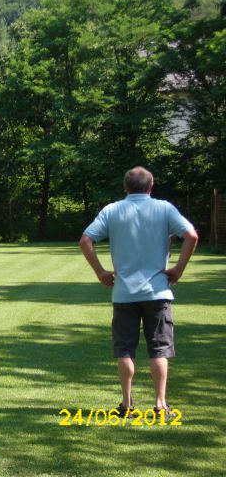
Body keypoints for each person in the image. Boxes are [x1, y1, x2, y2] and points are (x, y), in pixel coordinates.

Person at [79, 167, 198, 419]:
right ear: (151, 186)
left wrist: (101, 271)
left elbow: (85, 240)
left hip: (124, 293)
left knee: (124, 349)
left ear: (125, 187)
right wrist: (178, 269)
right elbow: (191, 235)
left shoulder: (112, 210)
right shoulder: (164, 208)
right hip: (158, 293)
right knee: (159, 349)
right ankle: (160, 404)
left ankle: (126, 403)